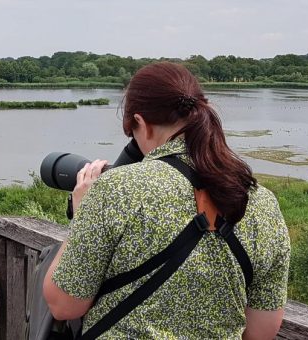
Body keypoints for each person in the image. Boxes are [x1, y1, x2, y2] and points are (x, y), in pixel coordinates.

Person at [43, 62, 290, 339]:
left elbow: (63, 304)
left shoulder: (115, 189)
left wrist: (83, 212)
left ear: (141, 123)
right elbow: (261, 332)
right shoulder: (263, 203)